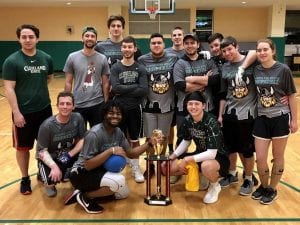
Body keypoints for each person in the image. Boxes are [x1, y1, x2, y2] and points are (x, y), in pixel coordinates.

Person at [67, 100, 155, 214]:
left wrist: (149, 143)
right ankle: (85, 196)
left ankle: (87, 192)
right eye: (111, 113)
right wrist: (110, 151)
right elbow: (88, 165)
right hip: (81, 173)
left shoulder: (118, 132)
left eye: (118, 114)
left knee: (123, 193)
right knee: (119, 181)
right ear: (104, 114)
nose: (115, 116)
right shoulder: (94, 134)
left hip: (98, 170)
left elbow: (131, 153)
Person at [2, 24, 53, 195]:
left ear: (37, 38)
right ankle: (25, 178)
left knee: (44, 146)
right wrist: (16, 112)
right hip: (22, 113)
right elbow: (8, 88)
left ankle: (42, 172)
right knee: (23, 148)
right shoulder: (12, 61)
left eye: (31, 36)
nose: (28, 40)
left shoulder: (46, 58)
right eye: (24, 37)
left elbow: (49, 78)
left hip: (44, 110)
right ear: (19, 39)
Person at [207, 33, 259, 185]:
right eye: (224, 51)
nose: (227, 53)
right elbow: (224, 93)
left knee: (247, 149)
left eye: (230, 49)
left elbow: (255, 52)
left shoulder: (250, 62)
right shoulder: (224, 67)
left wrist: (242, 67)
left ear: (237, 47)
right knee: (230, 148)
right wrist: (221, 115)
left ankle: (248, 179)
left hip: (247, 114)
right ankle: (231, 174)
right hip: (229, 113)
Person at [251, 38, 298, 205]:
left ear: (273, 51)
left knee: (278, 156)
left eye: (265, 49)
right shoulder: (255, 70)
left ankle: (272, 188)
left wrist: (295, 120)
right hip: (261, 118)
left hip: (280, 117)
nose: (262, 53)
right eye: (259, 50)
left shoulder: (283, 69)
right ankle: (263, 186)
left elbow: (291, 95)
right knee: (261, 158)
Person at [162, 91, 229, 204]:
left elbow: (211, 154)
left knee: (206, 166)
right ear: (186, 105)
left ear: (203, 105)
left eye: (197, 104)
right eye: (190, 104)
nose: (193, 107)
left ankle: (214, 186)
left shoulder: (211, 122)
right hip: (200, 154)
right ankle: (201, 175)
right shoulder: (188, 120)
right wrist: (173, 156)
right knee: (167, 167)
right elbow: (186, 141)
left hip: (218, 159)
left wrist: (187, 159)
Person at [138, 33, 178, 179]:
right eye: (153, 43)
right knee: (150, 138)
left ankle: (161, 163)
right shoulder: (142, 60)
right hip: (149, 106)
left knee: (164, 137)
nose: (156, 45)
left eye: (159, 43)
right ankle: (150, 166)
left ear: (163, 44)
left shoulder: (173, 58)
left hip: (167, 106)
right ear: (150, 45)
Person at [110, 36, 148, 183]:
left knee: (134, 139)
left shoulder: (140, 68)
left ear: (135, 49)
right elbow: (115, 88)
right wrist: (135, 87)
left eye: (129, 47)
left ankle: (136, 167)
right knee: (119, 139)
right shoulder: (116, 67)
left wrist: (123, 90)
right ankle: (118, 167)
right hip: (118, 109)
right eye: (124, 47)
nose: (127, 49)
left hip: (134, 108)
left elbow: (144, 90)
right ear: (121, 49)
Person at [36, 92, 85, 197]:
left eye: (68, 104)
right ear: (57, 105)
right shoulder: (47, 126)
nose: (65, 107)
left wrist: (70, 154)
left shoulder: (78, 118)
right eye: (62, 104)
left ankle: (67, 173)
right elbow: (41, 151)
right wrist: (54, 167)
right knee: (50, 181)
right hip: (51, 158)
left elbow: (82, 140)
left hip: (67, 155)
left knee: (85, 164)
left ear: (73, 106)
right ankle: (45, 176)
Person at [64, 26, 110, 128]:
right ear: (82, 39)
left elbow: (106, 83)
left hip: (97, 104)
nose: (90, 38)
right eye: (87, 35)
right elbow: (68, 82)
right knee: (79, 137)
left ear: (96, 40)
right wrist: (67, 102)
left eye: (92, 36)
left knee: (98, 135)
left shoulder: (102, 58)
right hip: (78, 104)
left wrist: (105, 103)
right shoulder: (72, 57)